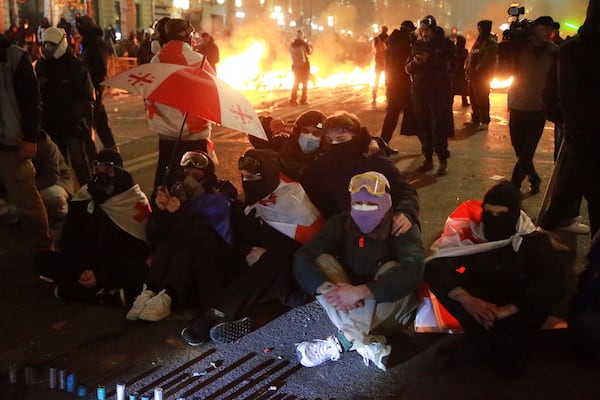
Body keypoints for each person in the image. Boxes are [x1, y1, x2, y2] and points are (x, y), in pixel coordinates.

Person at [180, 148, 323, 345]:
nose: (247, 183)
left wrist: (267, 252)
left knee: (275, 261)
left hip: (290, 273)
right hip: (256, 269)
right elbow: (240, 237)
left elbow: (309, 246)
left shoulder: (292, 197)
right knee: (210, 247)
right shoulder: (248, 203)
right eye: (244, 178)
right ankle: (233, 315)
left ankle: (217, 313)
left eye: (252, 177)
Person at [424, 181, 565, 376]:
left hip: (517, 307)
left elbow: (554, 280)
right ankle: (486, 341)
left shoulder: (531, 240)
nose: (493, 220)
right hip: (480, 304)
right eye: (488, 214)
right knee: (438, 276)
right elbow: (436, 265)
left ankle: (487, 344)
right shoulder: (475, 232)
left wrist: (508, 310)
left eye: (501, 215)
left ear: (514, 215)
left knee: (506, 366)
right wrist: (466, 299)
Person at [293, 171, 424, 371]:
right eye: (358, 204)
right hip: (350, 303)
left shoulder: (400, 226)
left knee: (392, 268)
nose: (363, 210)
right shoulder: (343, 222)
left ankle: (341, 342)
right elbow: (305, 255)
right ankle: (363, 340)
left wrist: (361, 291)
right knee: (322, 261)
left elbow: (412, 271)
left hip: (391, 309)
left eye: (371, 204)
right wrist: (325, 288)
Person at [126, 151, 241, 321]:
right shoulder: (176, 193)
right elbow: (155, 234)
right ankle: (150, 290)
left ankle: (168, 297)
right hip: (180, 253)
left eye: (196, 175)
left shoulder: (216, 197)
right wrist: (161, 211)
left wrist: (177, 213)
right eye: (186, 174)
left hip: (210, 260)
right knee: (166, 245)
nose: (190, 180)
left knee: (184, 247)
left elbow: (198, 234)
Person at [34, 150, 151, 306]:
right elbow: (71, 239)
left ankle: (83, 290)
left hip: (114, 264)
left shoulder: (132, 199)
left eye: (108, 168)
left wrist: (100, 275)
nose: (101, 173)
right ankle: (102, 293)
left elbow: (136, 247)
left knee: (142, 268)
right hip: (89, 261)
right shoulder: (85, 195)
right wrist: (83, 268)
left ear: (118, 170)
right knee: (42, 260)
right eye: (97, 167)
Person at [302, 111, 419, 236]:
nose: (335, 145)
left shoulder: (374, 161)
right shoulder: (321, 166)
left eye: (341, 139)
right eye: (330, 140)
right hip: (346, 234)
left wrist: (406, 213)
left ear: (355, 137)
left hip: (383, 229)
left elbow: (405, 191)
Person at [541, 1, 600, 238]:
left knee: (569, 187)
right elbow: (558, 93)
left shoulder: (569, 50)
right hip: (582, 137)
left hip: (578, 135)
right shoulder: (571, 51)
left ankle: (548, 228)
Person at [0, 32, 51, 252]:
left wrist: (31, 137)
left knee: (27, 204)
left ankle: (43, 254)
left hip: (10, 144)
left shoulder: (13, 57)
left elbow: (31, 100)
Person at [148, 18, 214, 190]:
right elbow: (212, 94)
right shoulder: (198, 61)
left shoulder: (156, 61)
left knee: (165, 184)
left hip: (167, 136)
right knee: (200, 189)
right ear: (188, 37)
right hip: (195, 136)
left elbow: (148, 94)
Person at [36, 27, 96, 186]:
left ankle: (87, 192)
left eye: (51, 45)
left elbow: (86, 95)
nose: (47, 48)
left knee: (79, 161)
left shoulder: (76, 66)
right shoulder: (41, 65)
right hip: (51, 123)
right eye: (45, 44)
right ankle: (66, 194)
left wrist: (77, 117)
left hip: (71, 124)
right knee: (57, 164)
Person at [507, 16, 558, 194]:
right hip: (516, 104)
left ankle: (514, 185)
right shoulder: (519, 48)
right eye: (545, 27)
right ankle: (534, 177)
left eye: (551, 29)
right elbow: (504, 53)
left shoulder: (555, 51)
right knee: (519, 148)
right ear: (535, 29)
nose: (548, 31)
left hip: (538, 108)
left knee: (527, 150)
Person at [406, 15, 456, 176]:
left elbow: (452, 66)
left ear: (433, 30)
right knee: (423, 128)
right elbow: (407, 68)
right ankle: (427, 159)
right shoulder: (417, 45)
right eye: (421, 30)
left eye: (427, 30)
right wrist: (415, 63)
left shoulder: (445, 45)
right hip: (419, 94)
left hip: (438, 93)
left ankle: (443, 160)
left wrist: (430, 60)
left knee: (438, 128)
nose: (424, 33)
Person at [75, 15, 118, 152]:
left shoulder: (96, 42)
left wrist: (94, 82)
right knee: (98, 121)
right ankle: (108, 150)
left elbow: (100, 67)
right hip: (88, 86)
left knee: (96, 120)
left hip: (94, 86)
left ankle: (108, 152)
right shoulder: (87, 42)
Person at [249, 110, 327, 182]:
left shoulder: (328, 158)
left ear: (324, 136)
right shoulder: (282, 145)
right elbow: (256, 137)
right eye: (305, 131)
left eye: (316, 133)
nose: (309, 136)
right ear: (297, 131)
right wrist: (267, 126)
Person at [379, 21, 417, 154]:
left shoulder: (392, 43)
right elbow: (407, 66)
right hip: (402, 85)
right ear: (410, 31)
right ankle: (427, 146)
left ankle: (383, 143)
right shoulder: (405, 44)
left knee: (392, 115)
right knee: (415, 114)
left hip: (392, 84)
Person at [33, 131, 73, 244]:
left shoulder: (46, 145)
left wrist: (27, 188)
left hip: (57, 182)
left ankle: (59, 228)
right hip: (35, 183)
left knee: (53, 196)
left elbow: (51, 176)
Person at [464, 20, 497, 130]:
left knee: (482, 98)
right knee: (473, 97)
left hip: (483, 76)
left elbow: (487, 59)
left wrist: (478, 69)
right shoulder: (478, 40)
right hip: (473, 75)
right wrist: (467, 66)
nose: (479, 29)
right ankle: (476, 118)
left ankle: (484, 121)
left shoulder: (490, 42)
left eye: (481, 27)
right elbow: (471, 54)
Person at [289, 30, 313, 105]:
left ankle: (293, 99)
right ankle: (303, 99)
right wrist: (309, 44)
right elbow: (309, 52)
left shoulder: (292, 44)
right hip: (304, 66)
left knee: (296, 82)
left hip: (295, 66)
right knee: (305, 83)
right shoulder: (303, 44)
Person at [371, 25, 389, 105]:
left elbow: (373, 50)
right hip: (386, 63)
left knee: (376, 80)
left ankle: (374, 96)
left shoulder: (376, 39)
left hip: (378, 62)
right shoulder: (389, 39)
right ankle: (388, 97)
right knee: (388, 80)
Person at [452, 35, 469, 108]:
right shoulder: (464, 50)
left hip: (454, 71)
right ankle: (464, 102)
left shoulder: (453, 50)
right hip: (462, 71)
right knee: (463, 88)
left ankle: (450, 102)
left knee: (452, 88)